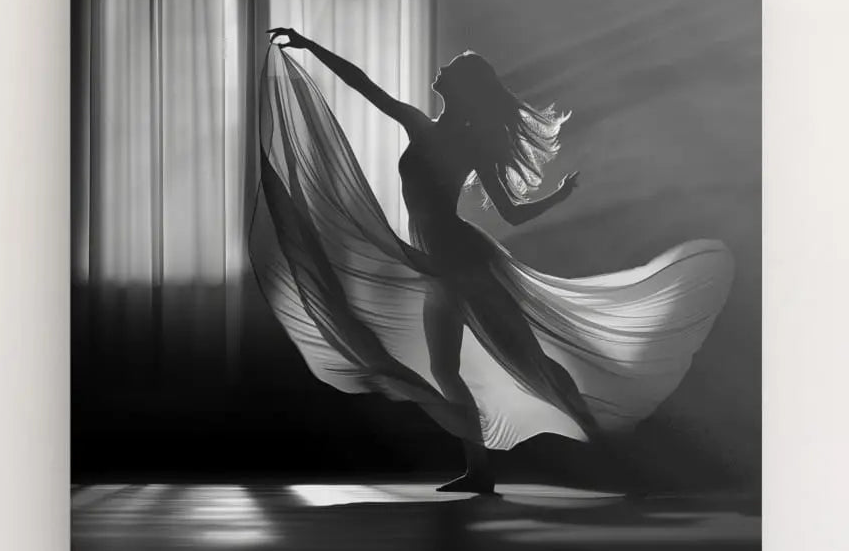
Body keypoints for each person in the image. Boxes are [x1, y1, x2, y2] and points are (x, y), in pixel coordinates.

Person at [257, 28, 734, 495]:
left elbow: (511, 212)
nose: (440, 69)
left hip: (461, 261)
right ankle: (480, 470)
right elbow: (363, 85)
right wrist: (312, 47)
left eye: (451, 68)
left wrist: (557, 197)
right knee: (447, 370)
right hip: (437, 264)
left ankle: (606, 445)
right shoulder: (426, 128)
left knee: (526, 359)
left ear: (459, 88)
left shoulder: (453, 141)